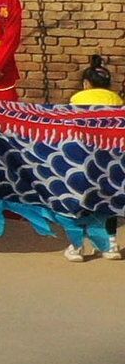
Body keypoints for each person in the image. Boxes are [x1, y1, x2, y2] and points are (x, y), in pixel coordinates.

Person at [67, 57, 124, 261]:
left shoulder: (77, 100)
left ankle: (77, 247)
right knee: (108, 202)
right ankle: (111, 245)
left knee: (79, 202)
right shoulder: (116, 101)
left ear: (85, 83)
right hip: (110, 160)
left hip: (81, 159)